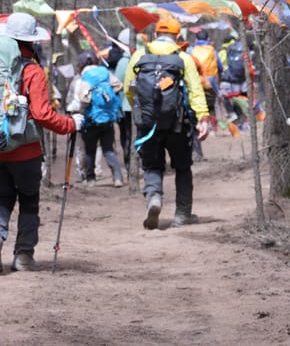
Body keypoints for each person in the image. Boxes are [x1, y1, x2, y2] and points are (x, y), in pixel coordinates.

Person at [0, 12, 83, 275]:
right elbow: (42, 114)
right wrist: (71, 124)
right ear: (31, 42)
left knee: (2, 197)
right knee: (28, 199)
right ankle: (23, 256)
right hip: (25, 152)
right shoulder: (33, 70)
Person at [124, 13, 213, 229]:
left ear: (155, 34)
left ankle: (154, 197)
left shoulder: (139, 56)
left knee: (152, 166)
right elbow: (195, 90)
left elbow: (128, 89)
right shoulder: (183, 58)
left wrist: (142, 111)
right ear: (178, 35)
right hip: (177, 124)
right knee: (183, 168)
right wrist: (203, 117)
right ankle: (182, 214)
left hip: (147, 125)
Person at [66, 51, 125, 187]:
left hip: (91, 120)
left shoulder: (84, 77)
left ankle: (91, 179)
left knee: (90, 150)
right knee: (108, 149)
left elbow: (84, 99)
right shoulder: (105, 72)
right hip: (108, 118)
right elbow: (118, 86)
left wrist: (83, 110)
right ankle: (117, 177)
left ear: (80, 65)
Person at [104, 28, 135, 173]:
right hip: (137, 105)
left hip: (125, 105)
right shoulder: (140, 56)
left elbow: (117, 83)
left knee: (126, 135)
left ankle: (129, 162)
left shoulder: (124, 61)